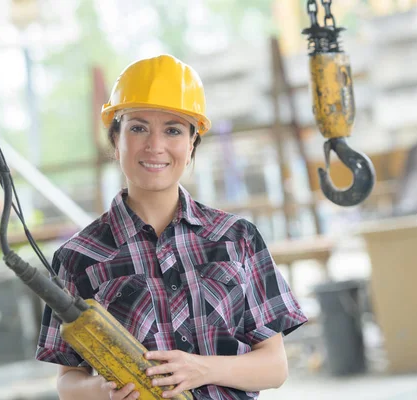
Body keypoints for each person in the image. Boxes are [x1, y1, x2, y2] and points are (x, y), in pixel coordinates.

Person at [35, 54, 308, 400]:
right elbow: (67, 381)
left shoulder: (237, 238)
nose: (155, 146)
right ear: (115, 139)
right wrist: (102, 391)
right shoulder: (78, 257)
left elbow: (274, 366)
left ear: (192, 141)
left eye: (173, 130)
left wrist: (202, 369)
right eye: (138, 128)